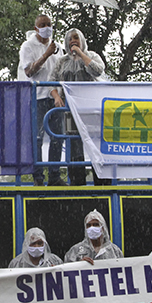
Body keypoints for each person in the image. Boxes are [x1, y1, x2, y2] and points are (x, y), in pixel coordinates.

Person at [49, 28, 106, 186]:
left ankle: (102, 182)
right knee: (74, 145)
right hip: (71, 110)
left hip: (93, 110)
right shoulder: (62, 61)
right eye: (70, 39)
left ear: (82, 40)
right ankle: (77, 182)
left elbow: (98, 70)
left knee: (96, 144)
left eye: (76, 38)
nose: (73, 41)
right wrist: (56, 96)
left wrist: (81, 54)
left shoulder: (92, 55)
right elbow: (51, 81)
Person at [18, 15, 67, 187]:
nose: (46, 27)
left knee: (57, 137)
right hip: (37, 97)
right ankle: (38, 177)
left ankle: (54, 175)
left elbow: (61, 70)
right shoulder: (28, 46)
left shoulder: (58, 47)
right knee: (37, 138)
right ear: (36, 27)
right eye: (42, 25)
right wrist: (46, 54)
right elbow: (29, 71)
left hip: (56, 98)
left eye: (49, 25)